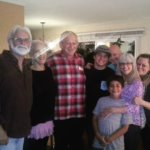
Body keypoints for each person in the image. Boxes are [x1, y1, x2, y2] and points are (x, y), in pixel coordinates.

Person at [47, 31, 86, 150]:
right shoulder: (51, 60)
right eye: (68, 43)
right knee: (61, 145)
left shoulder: (81, 60)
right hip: (61, 112)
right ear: (61, 44)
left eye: (74, 43)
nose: (72, 46)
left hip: (79, 111)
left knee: (77, 144)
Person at [101, 53, 145, 150]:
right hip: (118, 121)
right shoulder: (119, 79)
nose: (125, 66)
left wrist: (114, 110)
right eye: (122, 64)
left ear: (133, 65)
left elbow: (135, 108)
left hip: (132, 124)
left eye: (128, 63)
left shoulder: (137, 83)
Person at [0, 25, 33, 150]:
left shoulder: (27, 66)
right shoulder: (1, 63)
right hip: (4, 133)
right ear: (10, 41)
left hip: (22, 130)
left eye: (26, 40)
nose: (22, 43)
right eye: (18, 39)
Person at [23, 40, 56, 150]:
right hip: (31, 124)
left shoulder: (48, 71)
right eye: (37, 52)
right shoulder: (26, 72)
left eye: (44, 51)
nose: (42, 55)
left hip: (46, 121)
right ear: (31, 54)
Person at [85, 45, 115, 149]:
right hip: (88, 112)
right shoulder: (85, 71)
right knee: (91, 140)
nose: (102, 58)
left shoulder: (111, 73)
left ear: (108, 59)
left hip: (105, 113)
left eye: (105, 56)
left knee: (106, 142)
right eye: (99, 55)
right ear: (94, 56)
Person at [92, 75, 131, 150]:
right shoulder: (101, 100)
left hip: (116, 145)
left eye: (117, 85)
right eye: (111, 86)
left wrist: (108, 139)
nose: (114, 88)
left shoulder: (126, 104)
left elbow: (125, 127)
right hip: (98, 142)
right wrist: (97, 135)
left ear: (122, 88)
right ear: (108, 88)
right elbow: (94, 118)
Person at [134, 53, 150, 150]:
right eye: (138, 64)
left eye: (143, 65)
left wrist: (141, 102)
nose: (140, 67)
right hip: (136, 122)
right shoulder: (133, 80)